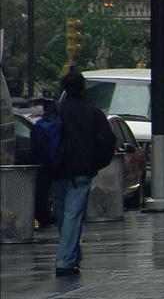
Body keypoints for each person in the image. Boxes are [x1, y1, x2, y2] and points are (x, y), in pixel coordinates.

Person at [52, 72, 116, 277]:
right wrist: (94, 164)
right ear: (83, 88)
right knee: (73, 215)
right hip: (81, 172)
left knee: (63, 216)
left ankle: (71, 254)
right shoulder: (92, 113)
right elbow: (107, 142)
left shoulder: (57, 112)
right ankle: (66, 260)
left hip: (58, 171)